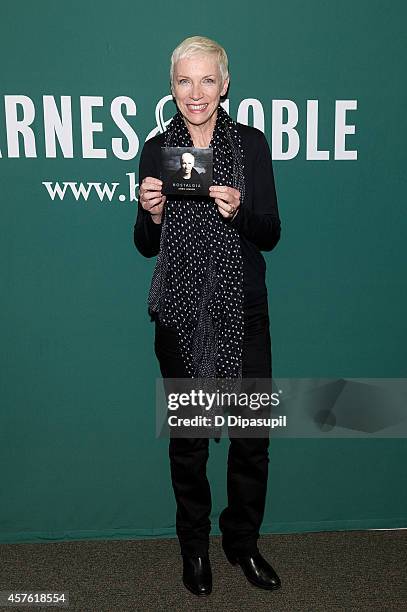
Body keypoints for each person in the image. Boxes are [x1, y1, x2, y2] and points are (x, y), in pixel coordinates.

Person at [134, 36, 281, 597]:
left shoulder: (250, 144)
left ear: (225, 84)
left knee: (250, 441)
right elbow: (147, 244)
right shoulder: (156, 148)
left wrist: (240, 209)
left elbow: (270, 231)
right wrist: (150, 214)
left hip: (243, 309)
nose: (194, 93)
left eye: (205, 80)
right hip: (180, 313)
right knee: (189, 442)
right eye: (182, 81)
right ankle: (193, 548)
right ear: (172, 88)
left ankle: (241, 543)